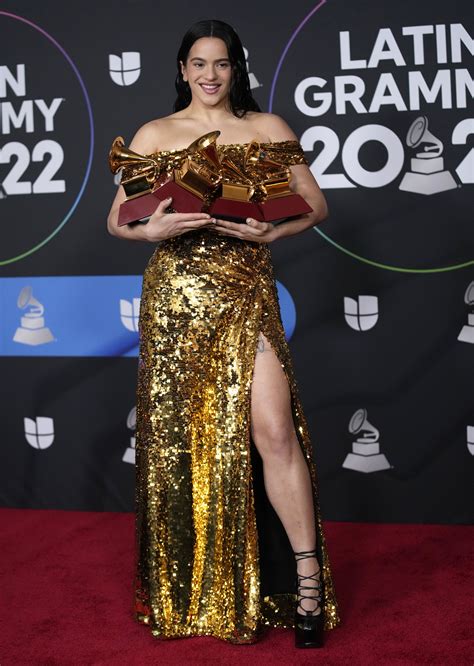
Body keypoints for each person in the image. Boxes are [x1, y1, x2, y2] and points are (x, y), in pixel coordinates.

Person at [107, 19, 341, 648]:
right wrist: (147, 232)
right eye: (198, 64)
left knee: (273, 430)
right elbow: (118, 219)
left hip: (246, 292)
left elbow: (315, 205)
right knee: (182, 446)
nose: (210, 75)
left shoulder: (267, 130)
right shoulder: (157, 134)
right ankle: (193, 590)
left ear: (237, 69)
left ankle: (307, 580)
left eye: (222, 63)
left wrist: (275, 232)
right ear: (182, 69)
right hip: (177, 301)